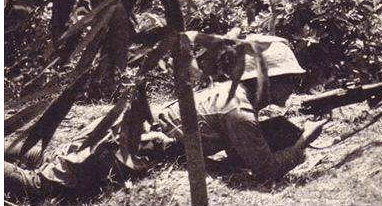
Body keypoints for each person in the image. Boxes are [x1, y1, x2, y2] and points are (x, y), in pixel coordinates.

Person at [5, 41, 326, 200]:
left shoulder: (232, 97)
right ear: (266, 81)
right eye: (288, 79)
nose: (292, 86)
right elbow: (265, 170)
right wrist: (302, 143)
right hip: (114, 151)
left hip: (123, 142)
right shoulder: (237, 111)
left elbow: (233, 156)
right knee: (36, 189)